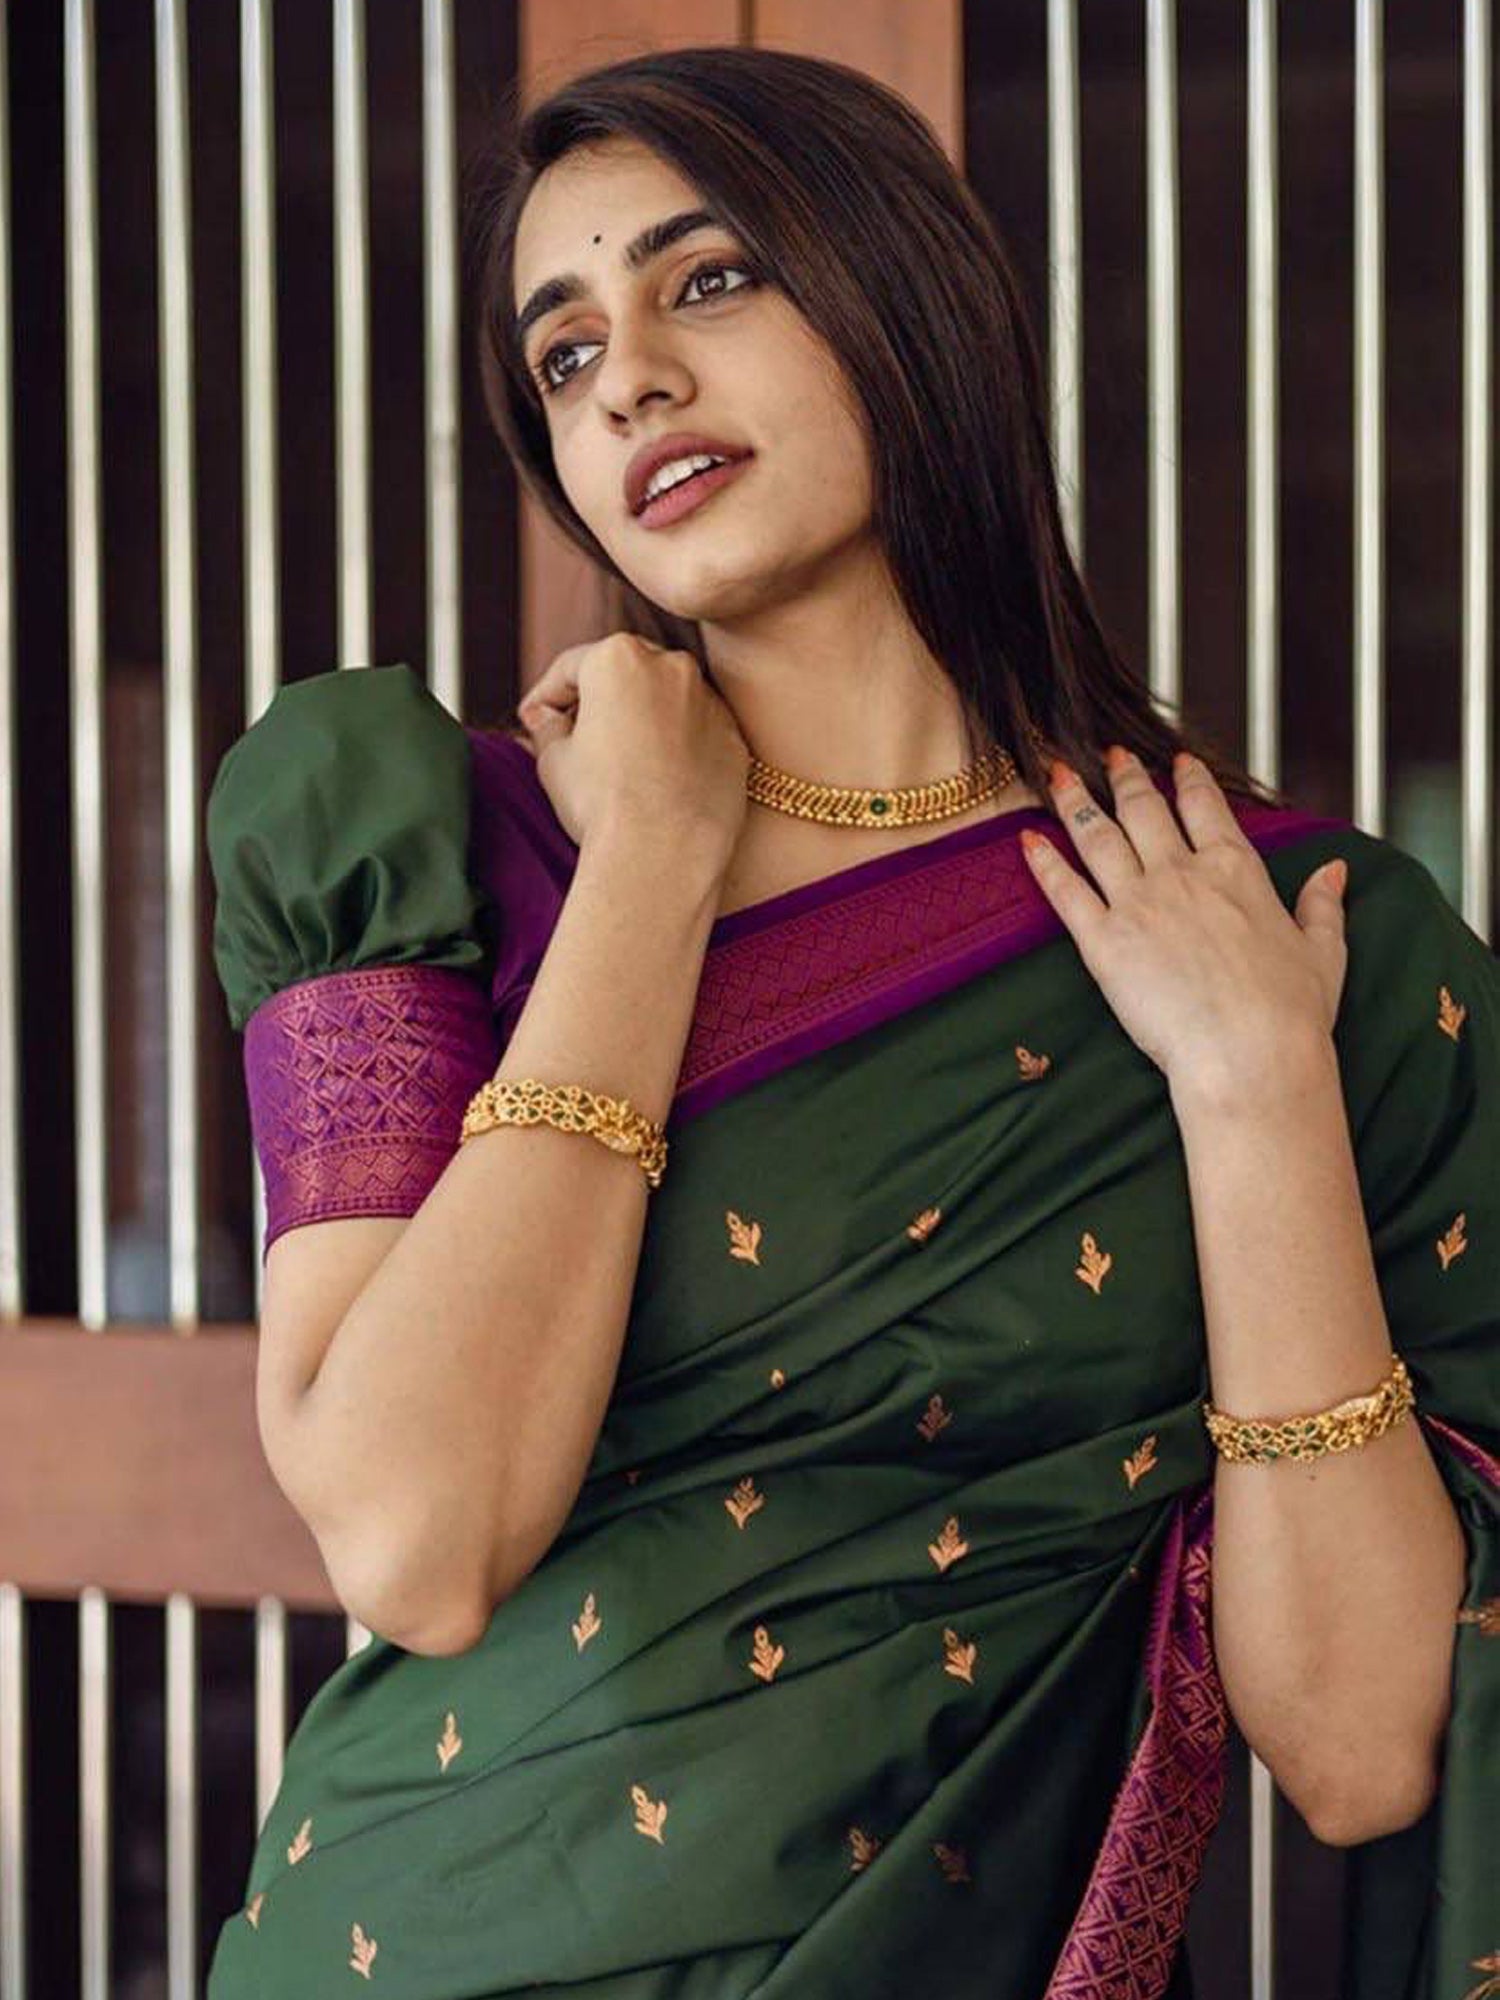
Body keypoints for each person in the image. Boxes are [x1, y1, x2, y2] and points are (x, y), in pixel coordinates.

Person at [204, 44, 1499, 2000]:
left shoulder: (1310, 940)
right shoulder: (415, 847)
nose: (628, 378)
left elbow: (1358, 1746)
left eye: (709, 279)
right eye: (565, 353)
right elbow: (414, 1535)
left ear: (910, 299)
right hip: (417, 1941)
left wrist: (1251, 1092)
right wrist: (651, 864)